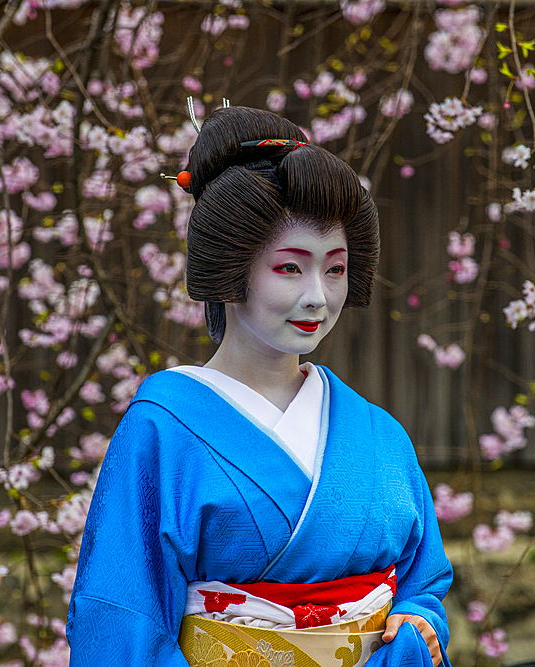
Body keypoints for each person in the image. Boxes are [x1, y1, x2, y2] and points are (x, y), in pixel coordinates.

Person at [66, 106, 452, 667]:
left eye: (335, 269)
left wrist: (417, 624)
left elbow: (424, 585)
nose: (317, 296)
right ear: (229, 270)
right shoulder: (161, 428)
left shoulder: (378, 433)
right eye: (290, 269)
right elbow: (122, 622)